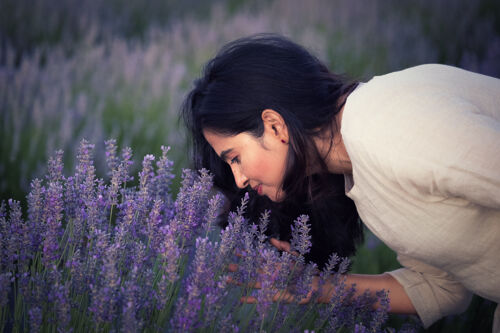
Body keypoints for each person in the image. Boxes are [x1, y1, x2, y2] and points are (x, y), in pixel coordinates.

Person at [181, 33, 500, 331]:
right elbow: (444, 287)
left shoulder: (392, 127)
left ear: (275, 126)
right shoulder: (361, 177)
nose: (238, 179)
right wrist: (317, 287)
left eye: (234, 157)